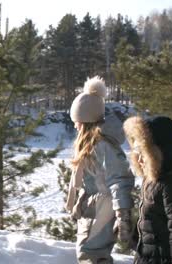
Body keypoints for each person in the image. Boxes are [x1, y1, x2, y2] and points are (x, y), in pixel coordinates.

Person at [67, 76, 135, 264]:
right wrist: (78, 204)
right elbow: (88, 183)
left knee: (91, 254)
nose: (74, 125)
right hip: (93, 208)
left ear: (86, 121)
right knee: (89, 254)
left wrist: (123, 214)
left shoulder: (102, 146)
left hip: (103, 207)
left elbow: (120, 180)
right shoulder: (91, 145)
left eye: (77, 121)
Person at [123, 116, 172, 264]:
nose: (139, 160)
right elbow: (150, 215)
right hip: (150, 255)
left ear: (159, 153)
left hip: (166, 257)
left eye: (144, 154)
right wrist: (136, 238)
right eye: (137, 153)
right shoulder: (151, 180)